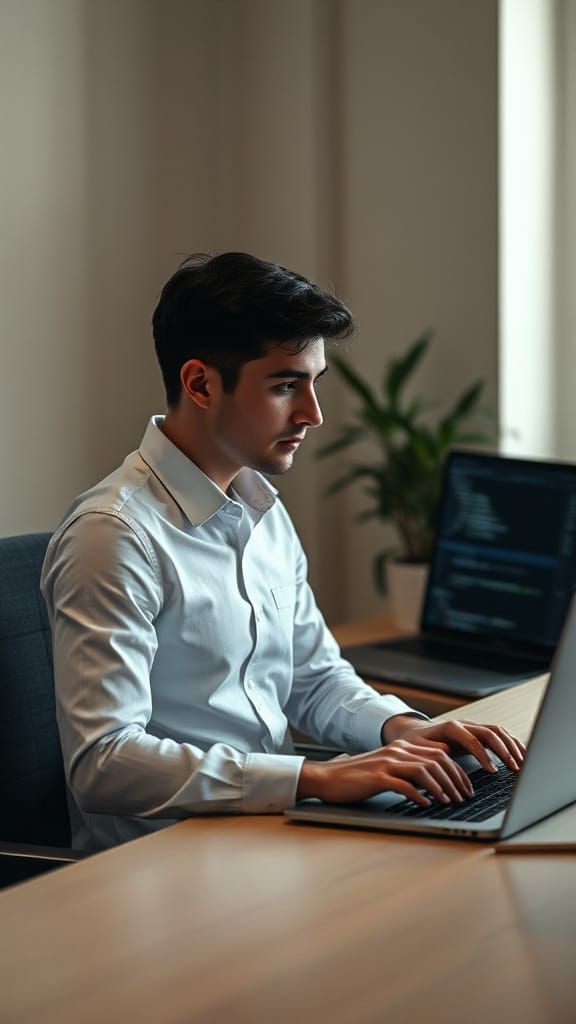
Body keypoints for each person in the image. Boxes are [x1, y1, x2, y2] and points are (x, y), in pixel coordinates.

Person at [41, 252, 525, 851]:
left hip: (273, 832)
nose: (312, 414)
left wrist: (400, 729)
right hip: (163, 863)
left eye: (313, 383)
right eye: (285, 385)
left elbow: (314, 678)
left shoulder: (262, 509)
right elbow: (104, 763)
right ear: (199, 384)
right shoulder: (112, 536)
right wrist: (314, 777)